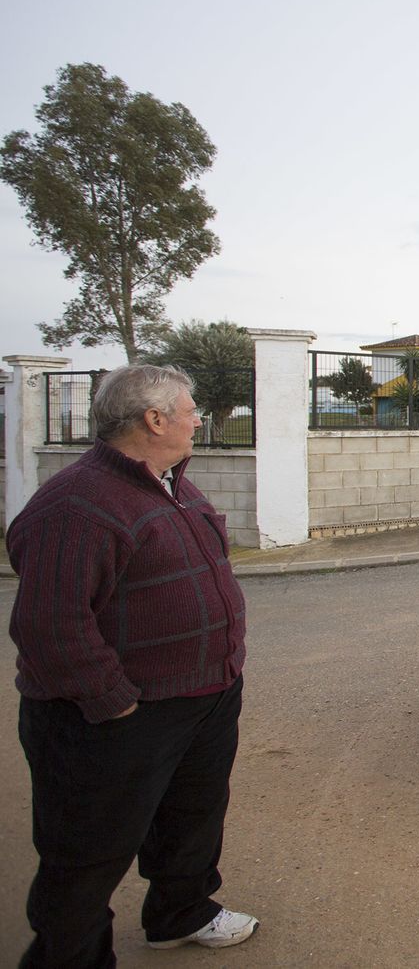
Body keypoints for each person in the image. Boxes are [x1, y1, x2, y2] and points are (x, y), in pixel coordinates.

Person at [8, 364, 260, 966]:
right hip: (117, 715)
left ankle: (181, 913)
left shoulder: (171, 480)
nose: (200, 417)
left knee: (191, 819)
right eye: (191, 408)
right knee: (86, 855)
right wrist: (114, 701)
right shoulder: (76, 503)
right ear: (154, 419)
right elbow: (50, 626)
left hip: (204, 696)